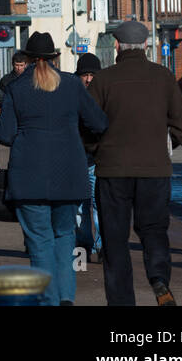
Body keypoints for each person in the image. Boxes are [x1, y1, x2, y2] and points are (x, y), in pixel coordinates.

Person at [0, 32, 108, 307]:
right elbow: (99, 123)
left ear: (28, 58)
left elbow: (6, 135)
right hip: (69, 171)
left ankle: (48, 300)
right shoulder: (72, 85)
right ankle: (66, 296)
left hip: (29, 174)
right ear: (55, 58)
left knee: (39, 241)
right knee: (65, 236)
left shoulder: (16, 88)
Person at [87, 20, 182, 306]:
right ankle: (159, 278)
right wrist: (166, 144)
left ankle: (121, 300)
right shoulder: (163, 77)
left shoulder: (103, 80)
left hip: (113, 169)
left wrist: (98, 151)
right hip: (154, 169)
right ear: (146, 45)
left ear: (118, 46)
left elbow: (88, 125)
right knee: (154, 229)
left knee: (114, 237)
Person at [75, 53, 103, 262]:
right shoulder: (72, 96)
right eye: (85, 75)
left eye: (92, 75)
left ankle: (102, 246)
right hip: (76, 159)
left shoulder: (103, 97)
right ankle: (84, 245)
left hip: (96, 159)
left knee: (98, 204)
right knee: (79, 205)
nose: (88, 79)